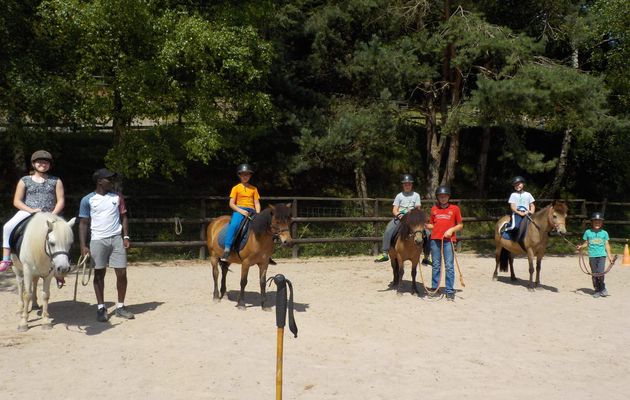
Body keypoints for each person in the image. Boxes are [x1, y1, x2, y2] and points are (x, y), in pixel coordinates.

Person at [79, 168, 134, 322]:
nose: (112, 182)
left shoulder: (117, 198)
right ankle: (101, 307)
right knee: (98, 274)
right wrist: (83, 245)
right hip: (98, 240)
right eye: (109, 179)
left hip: (116, 239)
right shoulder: (87, 200)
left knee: (122, 273)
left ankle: (120, 306)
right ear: (99, 181)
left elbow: (124, 217)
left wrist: (126, 236)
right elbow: (83, 223)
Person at [1, 150, 65, 273]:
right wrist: (31, 210)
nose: (42, 164)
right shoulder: (24, 180)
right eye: (39, 162)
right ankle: (6, 258)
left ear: (50, 165)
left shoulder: (56, 181)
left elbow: (60, 200)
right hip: (28, 211)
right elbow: (17, 201)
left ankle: (61, 264)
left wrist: (53, 213)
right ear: (33, 164)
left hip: (50, 213)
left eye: (46, 162)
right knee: (7, 226)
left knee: (63, 232)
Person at [374, 174, 428, 263]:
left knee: (426, 232)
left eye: (409, 184)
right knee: (389, 229)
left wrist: (412, 215)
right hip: (401, 217)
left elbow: (418, 209)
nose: (407, 186)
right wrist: (399, 215)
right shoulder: (399, 196)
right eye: (405, 184)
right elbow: (394, 209)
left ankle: (426, 255)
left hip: (412, 218)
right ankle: (385, 252)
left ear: (411, 185)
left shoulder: (416, 195)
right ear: (403, 185)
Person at [426, 186, 463, 301]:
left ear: (448, 197)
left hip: (448, 241)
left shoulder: (455, 209)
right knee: (436, 264)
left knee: (449, 266)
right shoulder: (434, 209)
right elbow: (432, 224)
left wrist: (451, 230)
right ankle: (435, 287)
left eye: (445, 196)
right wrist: (425, 225)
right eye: (441, 196)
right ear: (438, 197)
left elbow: (460, 225)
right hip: (435, 239)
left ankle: (449, 290)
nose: (443, 198)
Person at [220, 163, 261, 262]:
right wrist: (241, 211)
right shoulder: (236, 188)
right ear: (239, 175)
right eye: (243, 174)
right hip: (240, 210)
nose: (245, 176)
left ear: (250, 176)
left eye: (247, 174)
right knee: (234, 225)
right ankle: (227, 248)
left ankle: (265, 252)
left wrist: (258, 214)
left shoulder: (254, 189)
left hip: (252, 211)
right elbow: (231, 203)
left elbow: (257, 203)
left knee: (264, 226)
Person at [576, 212, 614, 298]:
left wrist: (610, 256)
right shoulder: (588, 232)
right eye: (595, 222)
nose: (597, 223)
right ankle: (597, 289)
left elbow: (607, 245)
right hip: (592, 256)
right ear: (592, 222)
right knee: (594, 274)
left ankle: (602, 288)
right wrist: (581, 246)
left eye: (599, 222)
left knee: (600, 272)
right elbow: (586, 243)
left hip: (601, 255)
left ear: (602, 223)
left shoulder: (604, 233)